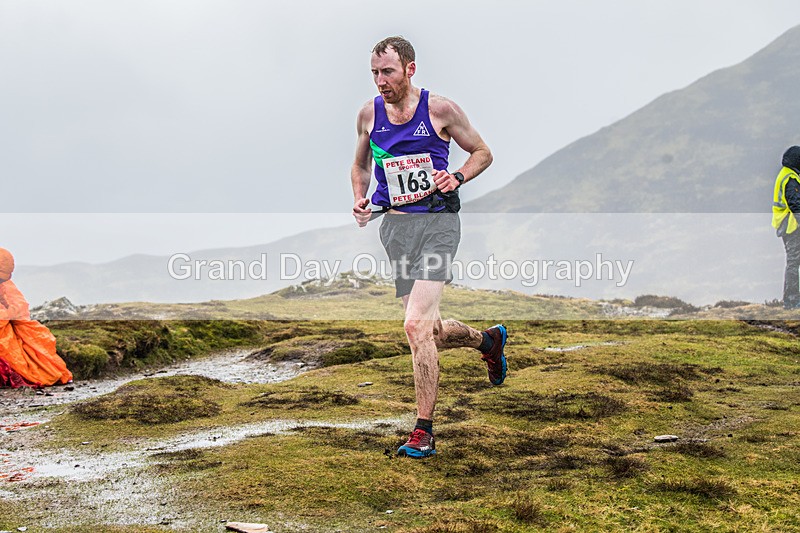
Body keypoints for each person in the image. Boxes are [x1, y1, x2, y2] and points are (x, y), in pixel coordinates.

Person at [350, 36, 507, 458]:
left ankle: (424, 431)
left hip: (438, 225)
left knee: (414, 326)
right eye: (375, 73)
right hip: (396, 230)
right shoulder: (368, 114)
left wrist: (457, 176)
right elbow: (361, 164)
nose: (380, 81)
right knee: (430, 331)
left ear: (410, 69)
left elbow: (482, 152)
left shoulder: (440, 110)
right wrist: (360, 199)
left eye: (388, 72)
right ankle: (488, 342)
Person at [0, 247, 73, 388]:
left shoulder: (5, 285)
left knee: (29, 341)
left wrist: (7, 313)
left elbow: (18, 306)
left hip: (8, 326)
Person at [772, 146, 800, 310]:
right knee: (794, 262)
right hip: (791, 227)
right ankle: (792, 300)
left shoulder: (787, 174)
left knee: (794, 262)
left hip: (788, 225)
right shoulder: (790, 178)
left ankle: (792, 299)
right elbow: (796, 205)